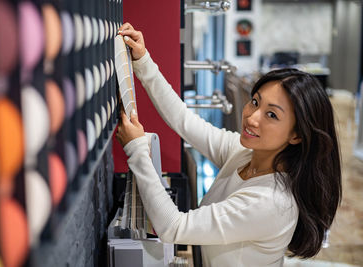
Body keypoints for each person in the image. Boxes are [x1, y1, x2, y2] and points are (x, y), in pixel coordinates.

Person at [115, 22, 342, 267]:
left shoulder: (271, 202)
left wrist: (137, 148)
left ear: (296, 135)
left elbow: (173, 227)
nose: (252, 118)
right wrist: (143, 61)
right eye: (255, 102)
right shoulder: (246, 154)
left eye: (272, 115)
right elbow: (185, 121)